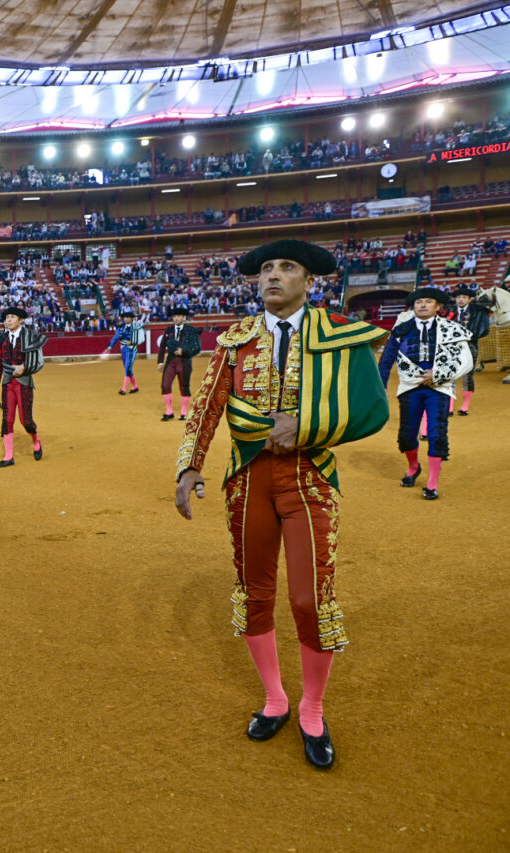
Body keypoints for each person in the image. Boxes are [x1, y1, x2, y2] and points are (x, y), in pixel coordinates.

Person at [175, 239, 390, 770]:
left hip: (309, 479)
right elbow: (205, 407)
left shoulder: (340, 334)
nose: (272, 275)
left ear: (309, 281)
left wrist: (307, 425)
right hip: (248, 481)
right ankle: (276, 699)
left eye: (286, 267)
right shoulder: (236, 340)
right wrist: (189, 466)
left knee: (309, 598)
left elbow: (371, 407)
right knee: (255, 593)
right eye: (266, 268)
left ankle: (312, 709)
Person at [378, 287, 472, 500]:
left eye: (428, 301)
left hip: (438, 389)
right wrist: (381, 386)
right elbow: (386, 360)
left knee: (437, 433)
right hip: (410, 388)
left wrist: (438, 374)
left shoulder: (451, 328)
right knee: (407, 434)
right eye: (419, 302)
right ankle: (413, 467)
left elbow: (465, 360)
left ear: (438, 306)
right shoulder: (401, 330)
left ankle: (432, 483)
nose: (422, 305)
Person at [0, 307, 45, 467]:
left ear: (20, 320)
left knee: (25, 420)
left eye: (12, 317)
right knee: (7, 419)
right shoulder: (2, 338)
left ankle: (36, 441)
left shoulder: (30, 336)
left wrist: (24, 368)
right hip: (8, 383)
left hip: (24, 383)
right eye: (7, 317)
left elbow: (39, 362)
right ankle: (9, 457)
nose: (8, 320)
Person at [156, 307, 201, 421]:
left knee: (184, 386)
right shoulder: (169, 330)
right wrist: (160, 362)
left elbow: (197, 347)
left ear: (183, 317)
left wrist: (184, 351)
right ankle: (169, 412)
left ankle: (183, 412)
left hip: (184, 361)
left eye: (179, 316)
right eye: (174, 316)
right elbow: (162, 347)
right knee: (165, 385)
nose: (176, 318)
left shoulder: (190, 330)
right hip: (171, 360)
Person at [449, 285, 489, 415]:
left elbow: (484, 329)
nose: (461, 299)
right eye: (458, 297)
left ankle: (464, 407)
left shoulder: (478, 311)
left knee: (468, 375)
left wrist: (470, 337)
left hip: (470, 345)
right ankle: (450, 407)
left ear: (470, 299)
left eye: (464, 297)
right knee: (451, 375)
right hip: (452, 346)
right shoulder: (449, 311)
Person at [103, 309, 143, 394]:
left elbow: (140, 339)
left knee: (128, 368)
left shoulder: (135, 327)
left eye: (127, 317)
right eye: (125, 317)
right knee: (128, 368)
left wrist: (132, 342)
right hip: (123, 349)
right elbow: (115, 337)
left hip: (132, 349)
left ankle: (124, 389)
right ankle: (135, 386)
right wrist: (110, 347)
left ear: (131, 318)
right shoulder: (121, 328)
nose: (125, 319)